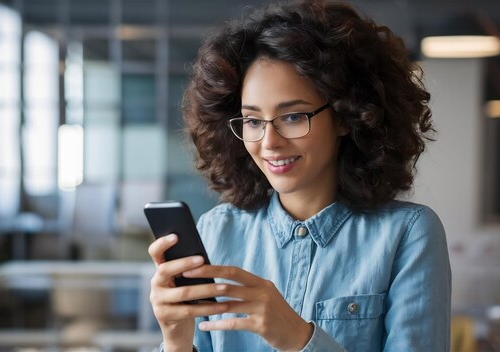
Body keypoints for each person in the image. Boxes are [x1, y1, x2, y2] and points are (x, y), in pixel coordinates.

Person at [147, 0, 451, 351]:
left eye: (292, 117)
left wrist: (297, 337)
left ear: (344, 116)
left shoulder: (408, 234)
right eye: (253, 121)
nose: (269, 142)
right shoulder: (216, 232)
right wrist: (175, 340)